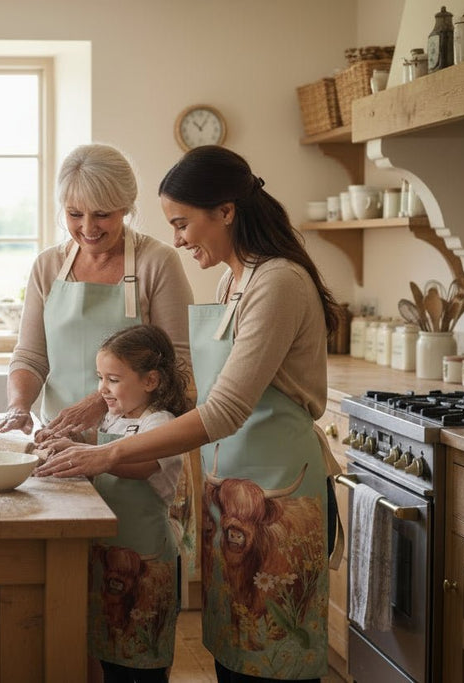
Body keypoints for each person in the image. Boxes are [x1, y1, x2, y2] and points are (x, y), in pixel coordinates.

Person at [36, 145, 343, 683]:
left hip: (278, 500)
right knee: (235, 661)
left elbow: (223, 408)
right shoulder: (233, 281)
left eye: (182, 223)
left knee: (274, 660)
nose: (177, 238)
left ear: (225, 211)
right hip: (231, 497)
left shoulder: (278, 282)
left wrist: (106, 450)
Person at [0, 143, 193, 439]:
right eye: (75, 214)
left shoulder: (157, 262)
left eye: (102, 214)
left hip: (133, 442)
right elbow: (31, 356)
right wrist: (18, 406)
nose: (88, 227)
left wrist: (100, 402)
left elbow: (178, 363)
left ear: (125, 207)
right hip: (58, 438)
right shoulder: (48, 266)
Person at [38, 324, 192, 683]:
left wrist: (90, 453)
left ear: (150, 381)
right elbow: (101, 443)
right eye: (100, 378)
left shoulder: (160, 423)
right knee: (112, 658)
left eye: (112, 379)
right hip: (110, 556)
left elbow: (139, 466)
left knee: (144, 661)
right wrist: (68, 439)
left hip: (147, 562)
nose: (101, 390)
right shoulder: (116, 418)